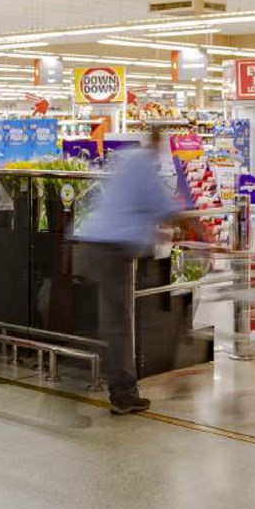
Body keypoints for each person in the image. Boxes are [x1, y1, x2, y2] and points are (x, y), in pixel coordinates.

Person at [71, 126, 183, 414]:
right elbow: (166, 209)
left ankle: (118, 387)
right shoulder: (145, 166)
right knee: (117, 322)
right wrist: (199, 231)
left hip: (97, 242)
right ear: (157, 144)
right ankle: (122, 394)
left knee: (112, 318)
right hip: (111, 248)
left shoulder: (129, 159)